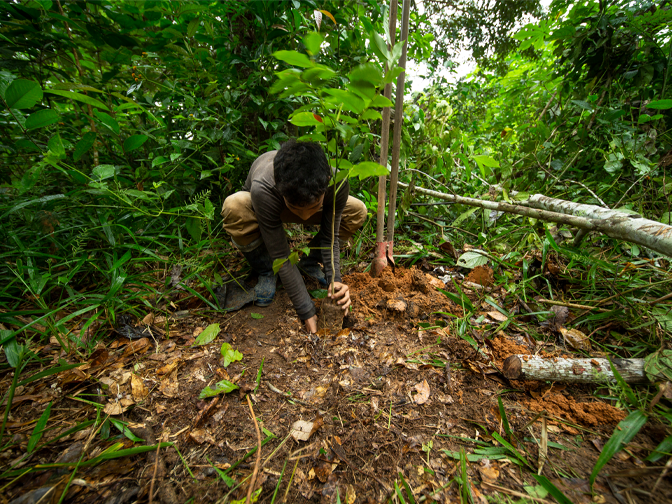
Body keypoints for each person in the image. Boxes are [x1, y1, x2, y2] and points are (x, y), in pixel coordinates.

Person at [221, 139, 367, 333]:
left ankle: (309, 262)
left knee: (357, 209)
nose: (305, 217)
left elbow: (329, 237)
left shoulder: (337, 182)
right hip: (269, 207)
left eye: (311, 209)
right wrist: (306, 310)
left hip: (308, 201)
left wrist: (335, 281)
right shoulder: (263, 188)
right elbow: (281, 254)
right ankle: (266, 269)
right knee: (234, 205)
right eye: (299, 210)